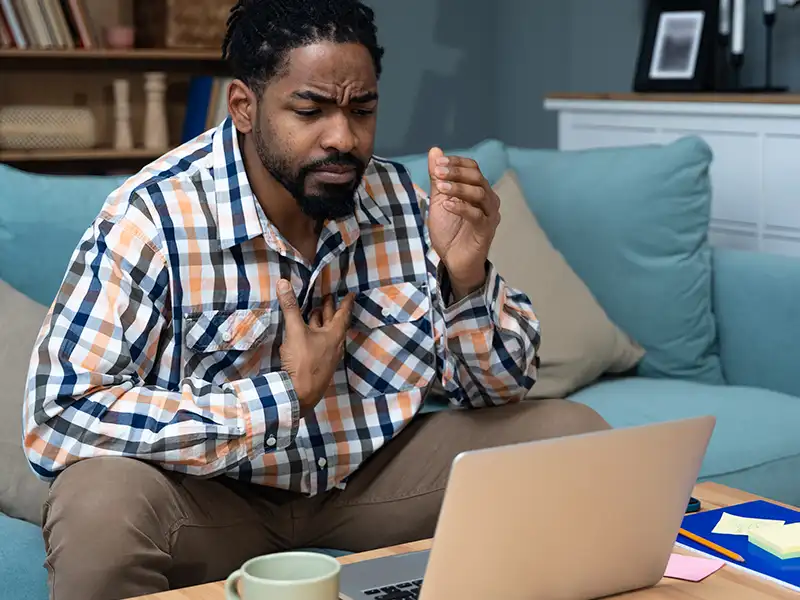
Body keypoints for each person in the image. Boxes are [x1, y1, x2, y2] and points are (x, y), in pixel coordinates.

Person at [22, 1, 610, 598]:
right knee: (97, 509)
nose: (343, 138)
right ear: (244, 108)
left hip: (369, 483)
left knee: (576, 436)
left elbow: (499, 391)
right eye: (310, 110)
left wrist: (467, 280)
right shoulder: (153, 217)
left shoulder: (402, 203)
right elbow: (59, 415)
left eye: (363, 110)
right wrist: (281, 399)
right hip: (211, 498)